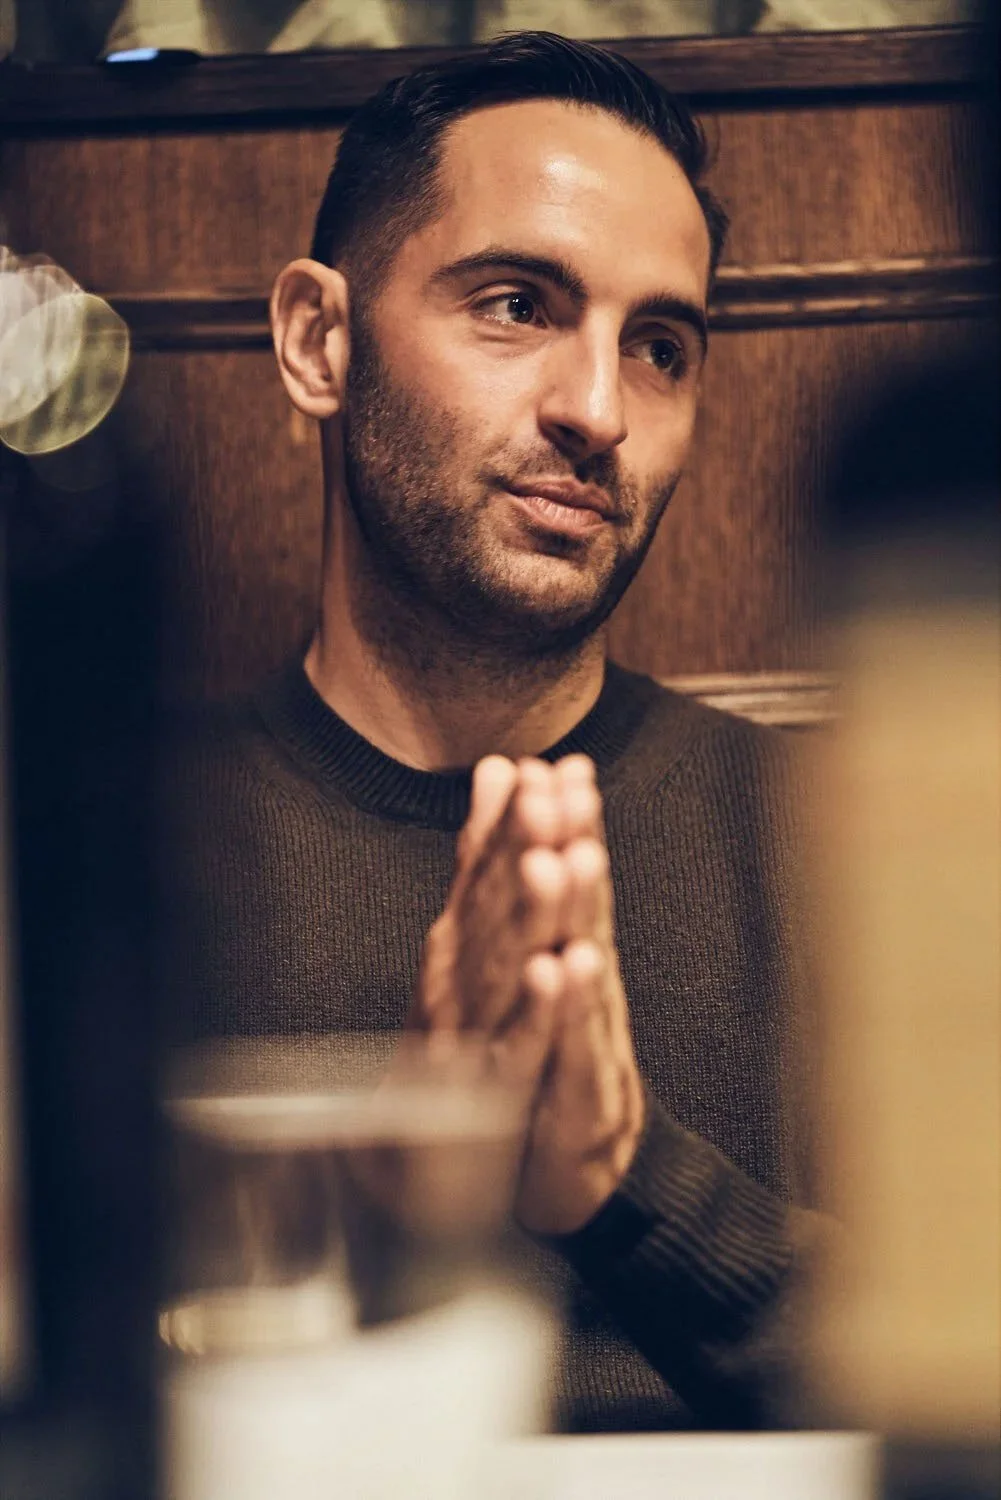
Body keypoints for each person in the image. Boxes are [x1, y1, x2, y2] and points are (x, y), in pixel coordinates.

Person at [166, 31, 829, 1432]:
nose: (598, 411)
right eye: (518, 305)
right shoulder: (111, 859)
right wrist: (393, 1205)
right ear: (319, 340)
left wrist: (623, 1178)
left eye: (659, 347)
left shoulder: (833, 838)